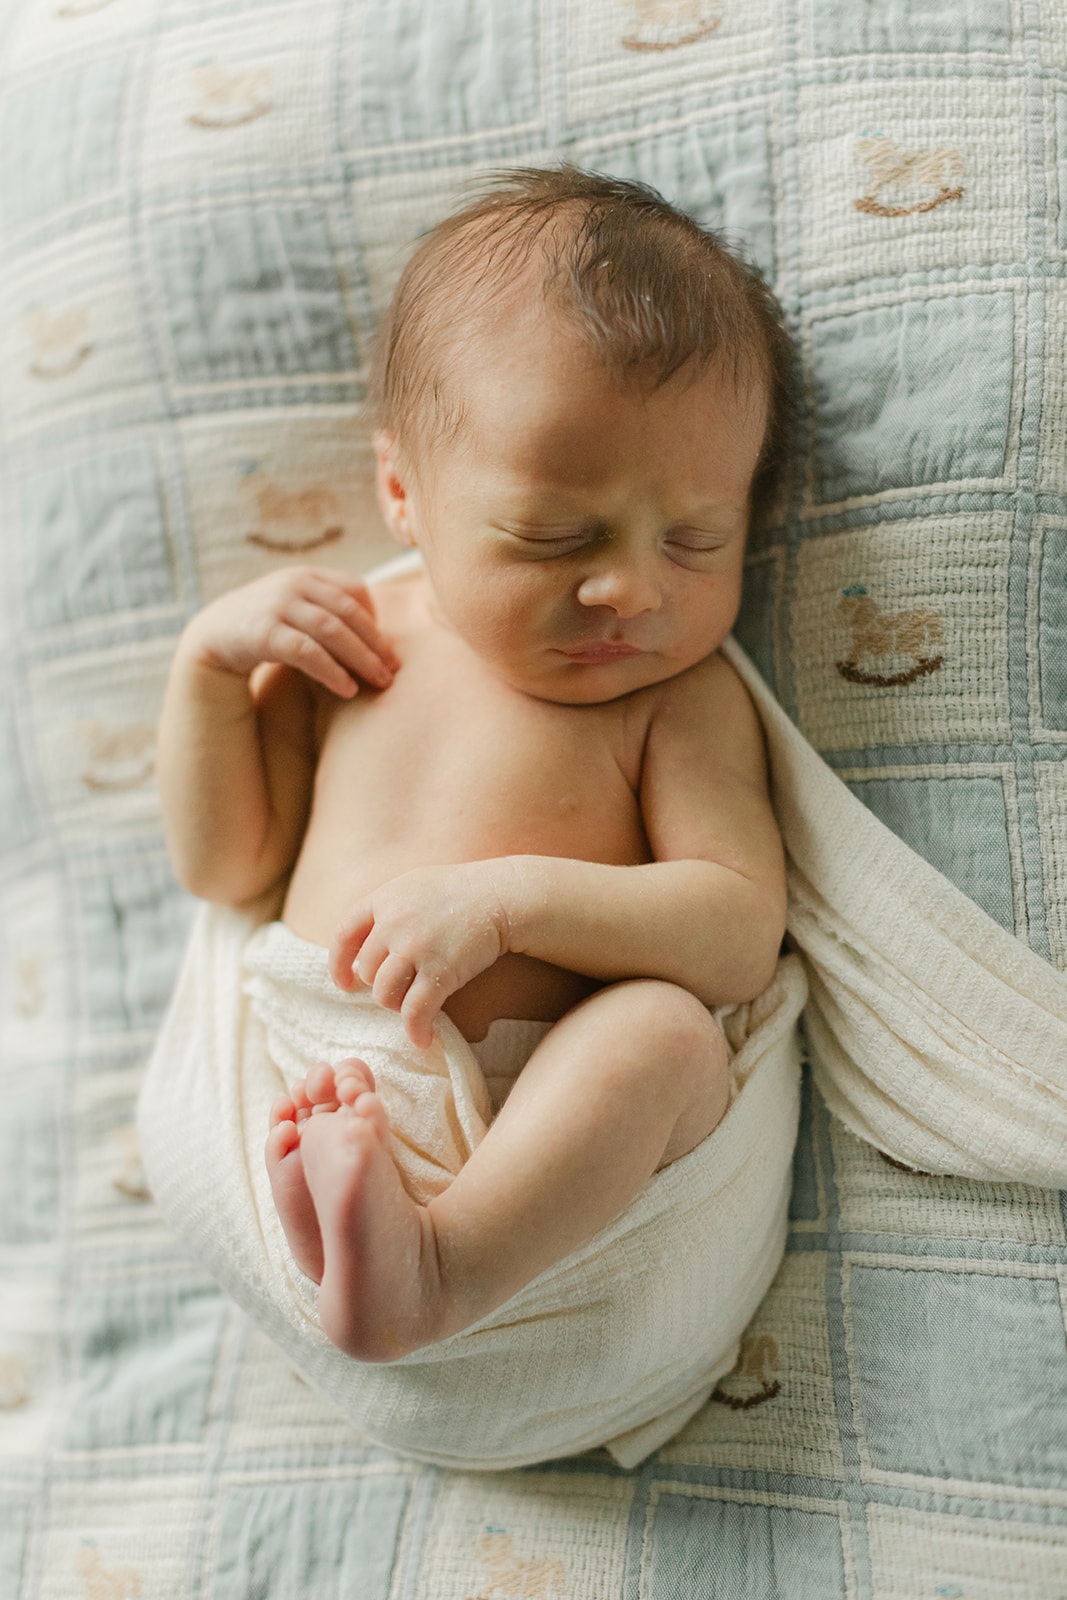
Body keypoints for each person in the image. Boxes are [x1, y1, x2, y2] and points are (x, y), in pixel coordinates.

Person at [155, 167, 795, 1369]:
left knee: (661, 1037)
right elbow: (226, 863)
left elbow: (734, 930)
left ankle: (441, 1270)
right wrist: (205, 676)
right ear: (402, 491)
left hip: (541, 1140)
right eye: (556, 538)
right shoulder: (352, 645)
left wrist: (512, 902)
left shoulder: (679, 696)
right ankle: (373, 1248)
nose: (630, 589)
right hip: (326, 1079)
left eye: (697, 539)